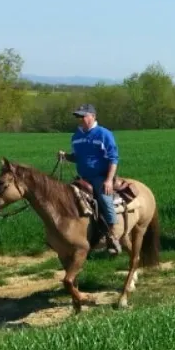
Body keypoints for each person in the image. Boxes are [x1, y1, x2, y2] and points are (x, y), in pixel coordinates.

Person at [57, 103, 120, 252]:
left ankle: (113, 235)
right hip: (83, 177)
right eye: (79, 117)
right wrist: (65, 156)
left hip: (100, 177)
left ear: (93, 116)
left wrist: (108, 180)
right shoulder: (76, 136)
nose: (81, 119)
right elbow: (77, 157)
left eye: (83, 116)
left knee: (104, 199)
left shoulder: (104, 134)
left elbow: (113, 158)